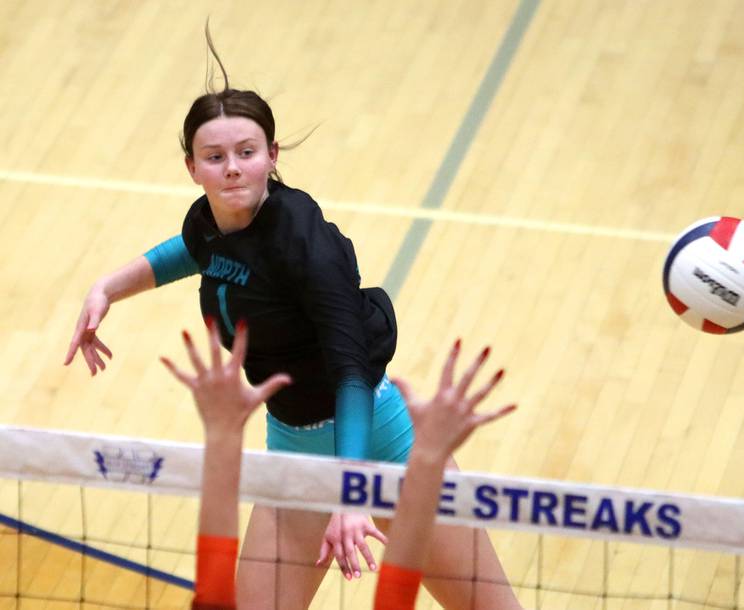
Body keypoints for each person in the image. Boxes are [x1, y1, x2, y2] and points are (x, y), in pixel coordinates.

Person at [64, 27, 523, 610]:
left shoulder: (308, 244)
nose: (232, 168)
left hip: (383, 445)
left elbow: (351, 373)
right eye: (215, 157)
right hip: (291, 447)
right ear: (193, 167)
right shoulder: (208, 220)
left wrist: (352, 493)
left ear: (272, 157)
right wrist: (109, 287)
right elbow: (193, 250)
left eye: (246, 153)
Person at [163, 321, 515, 609]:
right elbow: (397, 588)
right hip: (313, 454)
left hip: (368, 434)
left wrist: (223, 436)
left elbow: (214, 550)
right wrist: (428, 457)